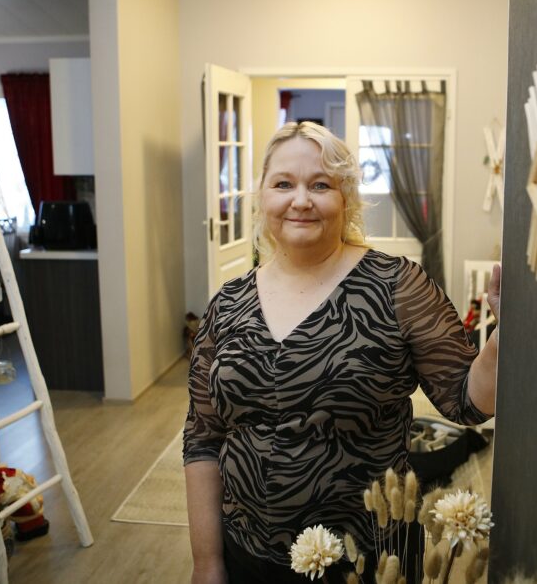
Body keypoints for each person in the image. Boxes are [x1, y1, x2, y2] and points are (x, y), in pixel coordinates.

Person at [184, 122, 501, 584]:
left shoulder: (397, 286)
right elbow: (203, 438)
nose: (301, 200)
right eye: (283, 184)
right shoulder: (228, 304)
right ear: (262, 197)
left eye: (320, 185)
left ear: (346, 198)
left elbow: (468, 401)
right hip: (247, 553)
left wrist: (501, 339)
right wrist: (207, 562)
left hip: (368, 559)